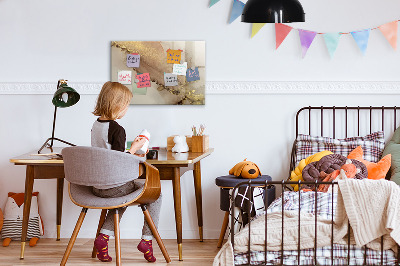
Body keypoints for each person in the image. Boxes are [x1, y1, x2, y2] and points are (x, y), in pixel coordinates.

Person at [91, 81, 161, 263]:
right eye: (127, 104)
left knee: (122, 198)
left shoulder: (96, 125)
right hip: (114, 186)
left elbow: (108, 154)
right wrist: (135, 149)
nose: (127, 109)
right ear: (117, 105)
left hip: (97, 186)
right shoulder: (117, 129)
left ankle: (103, 238)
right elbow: (118, 161)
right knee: (156, 194)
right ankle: (147, 240)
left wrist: (130, 149)